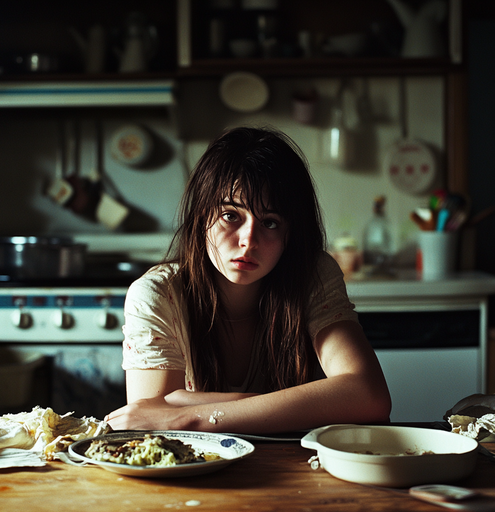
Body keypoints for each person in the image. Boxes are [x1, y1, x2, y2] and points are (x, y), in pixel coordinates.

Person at [105, 126, 391, 433]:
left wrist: (190, 414)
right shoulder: (157, 294)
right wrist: (300, 404)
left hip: (297, 470)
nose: (248, 241)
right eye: (231, 215)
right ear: (202, 215)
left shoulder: (313, 275)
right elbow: (149, 418)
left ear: (290, 234)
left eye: (270, 222)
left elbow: (368, 395)